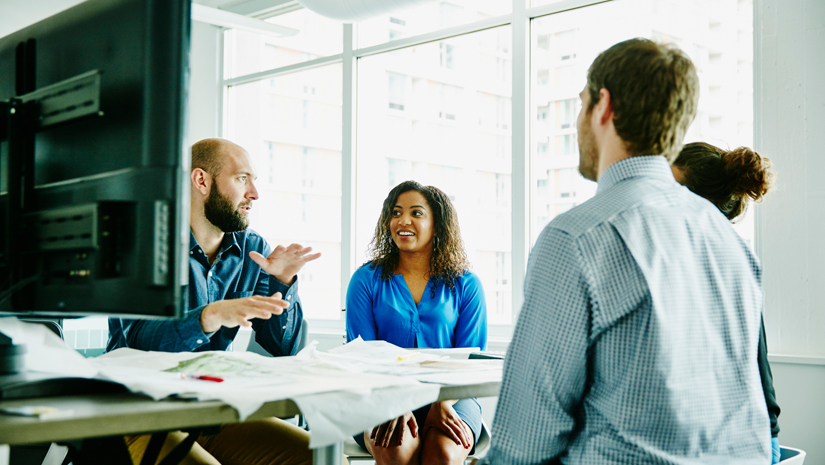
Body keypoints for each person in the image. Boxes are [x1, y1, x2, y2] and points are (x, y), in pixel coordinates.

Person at [480, 38, 771, 464]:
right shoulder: (729, 241)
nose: (578, 119)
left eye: (581, 104)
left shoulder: (575, 239)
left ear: (604, 106)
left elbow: (523, 446)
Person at [107, 138, 320, 465]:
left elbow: (284, 348)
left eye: (253, 181)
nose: (254, 194)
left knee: (320, 457)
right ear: (201, 181)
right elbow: (134, 343)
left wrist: (282, 283)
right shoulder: (145, 243)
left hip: (210, 406)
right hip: (136, 409)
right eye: (241, 179)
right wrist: (208, 316)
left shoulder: (253, 248)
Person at [346, 180, 487, 465]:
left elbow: (470, 359)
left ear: (438, 225)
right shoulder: (365, 280)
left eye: (416, 213)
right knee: (395, 451)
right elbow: (360, 355)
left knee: (443, 457)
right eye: (396, 212)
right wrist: (395, 400)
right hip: (381, 393)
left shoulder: (466, 284)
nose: (403, 221)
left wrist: (442, 401)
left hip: (453, 396)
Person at [673, 142, 781, 463]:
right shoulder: (736, 253)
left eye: (670, 188)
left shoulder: (702, 259)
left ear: (699, 202)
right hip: (763, 434)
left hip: (745, 441)